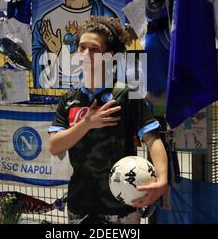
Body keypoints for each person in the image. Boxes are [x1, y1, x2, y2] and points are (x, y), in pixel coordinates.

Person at [48, 17, 168, 224]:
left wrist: (163, 180)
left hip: (122, 207)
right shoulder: (69, 100)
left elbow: (153, 140)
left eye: (94, 49)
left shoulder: (126, 95)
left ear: (109, 56)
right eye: (82, 47)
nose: (86, 54)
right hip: (80, 206)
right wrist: (87, 123)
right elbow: (55, 146)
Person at [32, 0, 119, 89]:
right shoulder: (45, 22)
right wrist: (49, 53)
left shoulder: (106, 17)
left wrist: (59, 50)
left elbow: (114, 61)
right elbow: (37, 63)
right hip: (55, 94)